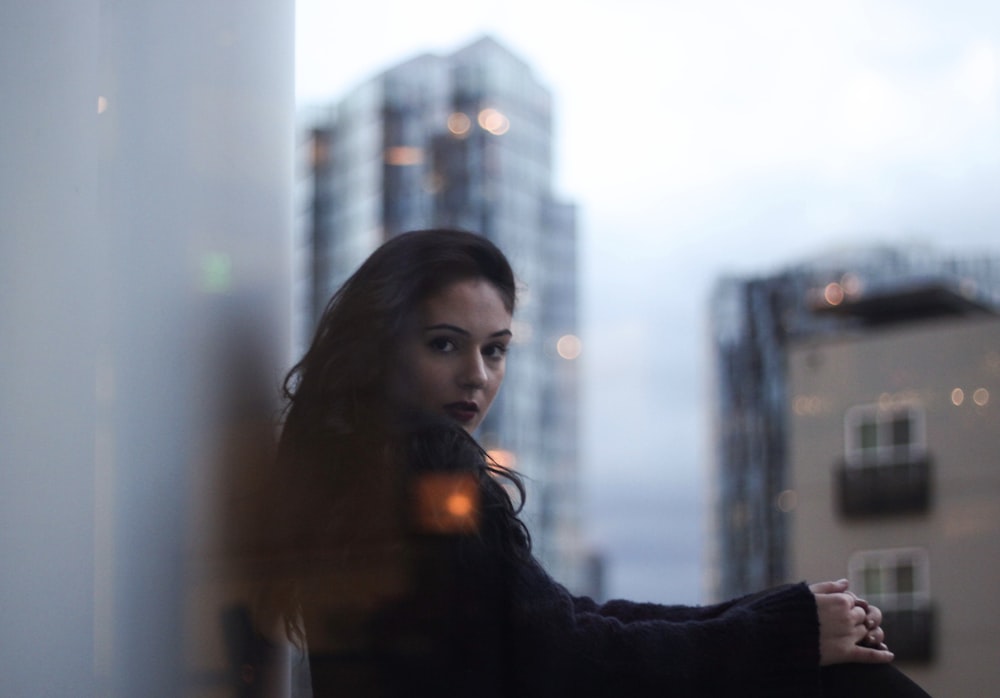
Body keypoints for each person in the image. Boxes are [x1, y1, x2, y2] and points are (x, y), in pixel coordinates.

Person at [257, 228, 930, 697]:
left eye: (495, 350)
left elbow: (548, 620)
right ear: (383, 348)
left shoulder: (363, 468)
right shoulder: (430, 466)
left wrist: (779, 615)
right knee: (847, 680)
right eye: (444, 344)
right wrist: (785, 633)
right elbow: (563, 655)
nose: (476, 376)